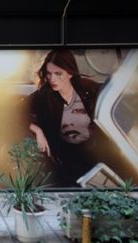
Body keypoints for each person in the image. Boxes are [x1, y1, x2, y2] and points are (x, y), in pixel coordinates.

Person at [27, 49, 104, 187]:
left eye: (58, 74)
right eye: (49, 74)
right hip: (65, 159)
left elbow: (120, 111)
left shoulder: (88, 89)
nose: (52, 79)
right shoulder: (45, 95)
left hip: (95, 155)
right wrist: (37, 131)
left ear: (70, 73)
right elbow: (15, 113)